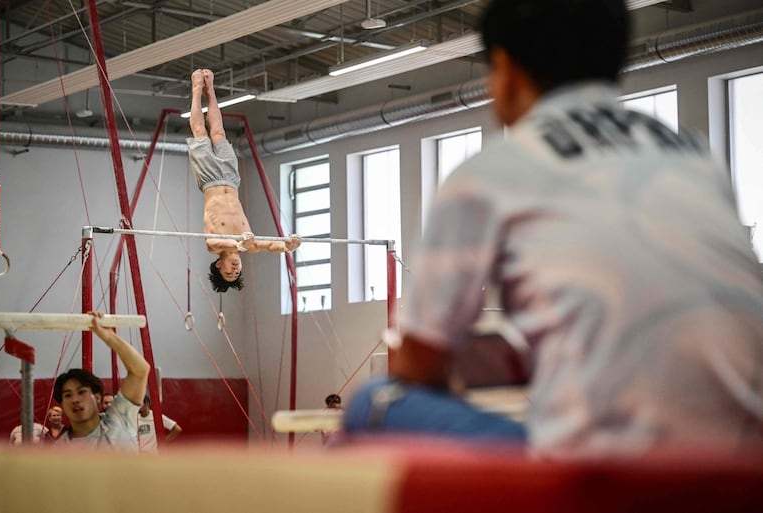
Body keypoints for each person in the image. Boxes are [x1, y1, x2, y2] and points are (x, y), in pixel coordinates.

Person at [345, 0, 763, 457]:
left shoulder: (491, 172)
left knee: (373, 404)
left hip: (606, 475)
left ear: (504, 68)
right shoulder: (694, 156)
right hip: (742, 467)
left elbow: (416, 368)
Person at [187, 68, 301, 293]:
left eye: (229, 272)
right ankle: (210, 88)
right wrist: (289, 245)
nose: (235, 269)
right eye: (237, 273)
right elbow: (270, 245)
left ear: (219, 265)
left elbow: (215, 244)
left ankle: (196, 89)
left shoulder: (217, 246)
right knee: (218, 132)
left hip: (210, 179)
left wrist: (238, 244)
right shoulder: (248, 245)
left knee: (201, 130)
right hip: (231, 179)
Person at [53, 311, 150, 452]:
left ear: (97, 398)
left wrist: (109, 337)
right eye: (68, 395)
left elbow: (140, 370)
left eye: (81, 392)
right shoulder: (59, 450)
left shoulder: (119, 419)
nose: (75, 400)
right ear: (62, 404)